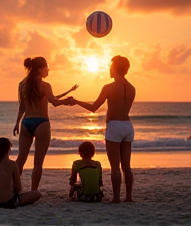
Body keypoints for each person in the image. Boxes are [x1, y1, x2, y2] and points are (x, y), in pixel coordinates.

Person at [70, 55, 135, 203]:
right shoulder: (132, 88)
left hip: (114, 126)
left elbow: (94, 107)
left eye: (111, 66)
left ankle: (117, 198)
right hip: (128, 126)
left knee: (115, 166)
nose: (109, 69)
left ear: (115, 68)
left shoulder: (109, 87)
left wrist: (76, 102)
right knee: (127, 166)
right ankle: (129, 197)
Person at [13, 56, 78, 190]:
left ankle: (13, 188)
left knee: (20, 160)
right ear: (40, 69)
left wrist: (17, 123)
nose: (48, 70)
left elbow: (22, 107)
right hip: (41, 123)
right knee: (37, 164)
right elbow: (54, 102)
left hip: (26, 123)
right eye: (47, 67)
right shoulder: (45, 85)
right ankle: (33, 191)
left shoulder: (22, 84)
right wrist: (67, 101)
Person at [0, 137, 41, 208]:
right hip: (9, 202)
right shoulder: (13, 164)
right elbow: (18, 188)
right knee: (37, 194)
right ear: (8, 149)